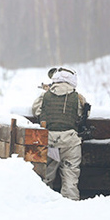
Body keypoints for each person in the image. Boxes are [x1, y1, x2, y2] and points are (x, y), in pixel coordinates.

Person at [32, 67, 87, 200]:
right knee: (70, 177)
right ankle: (71, 203)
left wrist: (48, 93)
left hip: (50, 141)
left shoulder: (45, 96)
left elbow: (36, 111)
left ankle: (43, 203)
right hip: (71, 142)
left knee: (46, 176)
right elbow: (83, 114)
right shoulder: (78, 97)